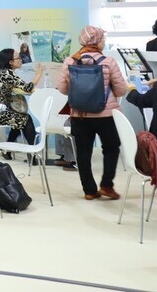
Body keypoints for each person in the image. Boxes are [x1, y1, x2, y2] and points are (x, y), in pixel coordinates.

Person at [57, 26, 128, 201]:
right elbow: (120, 90)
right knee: (111, 148)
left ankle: (89, 190)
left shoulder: (70, 61)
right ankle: (106, 185)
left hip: (79, 115)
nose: (104, 42)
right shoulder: (108, 61)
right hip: (105, 115)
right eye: (102, 39)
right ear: (96, 41)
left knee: (82, 152)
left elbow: (62, 89)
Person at [0, 48, 43, 163]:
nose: (21, 60)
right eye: (18, 58)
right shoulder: (8, 74)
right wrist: (38, 74)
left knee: (19, 119)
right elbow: (28, 88)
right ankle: (32, 154)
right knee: (26, 119)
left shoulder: (2, 72)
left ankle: (7, 150)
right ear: (11, 62)